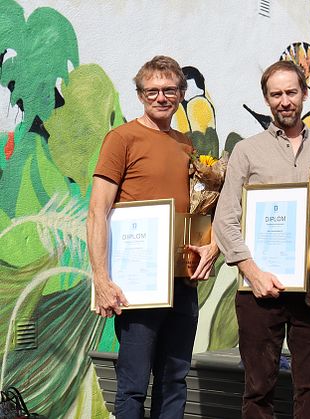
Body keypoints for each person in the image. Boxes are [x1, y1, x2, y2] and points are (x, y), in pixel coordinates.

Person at [213, 60, 310, 418]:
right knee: (257, 390)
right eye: (276, 94)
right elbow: (226, 219)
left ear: (304, 94)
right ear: (267, 99)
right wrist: (252, 272)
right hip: (259, 290)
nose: (284, 100)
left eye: (291, 92)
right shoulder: (246, 150)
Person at [87, 55, 220, 418]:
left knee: (174, 379)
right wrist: (101, 278)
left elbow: (199, 210)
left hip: (181, 281)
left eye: (169, 90)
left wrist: (212, 245)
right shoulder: (121, 138)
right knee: (133, 384)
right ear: (140, 94)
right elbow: (98, 210)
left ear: (181, 93)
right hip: (139, 284)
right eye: (152, 91)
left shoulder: (186, 144)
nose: (161, 97)